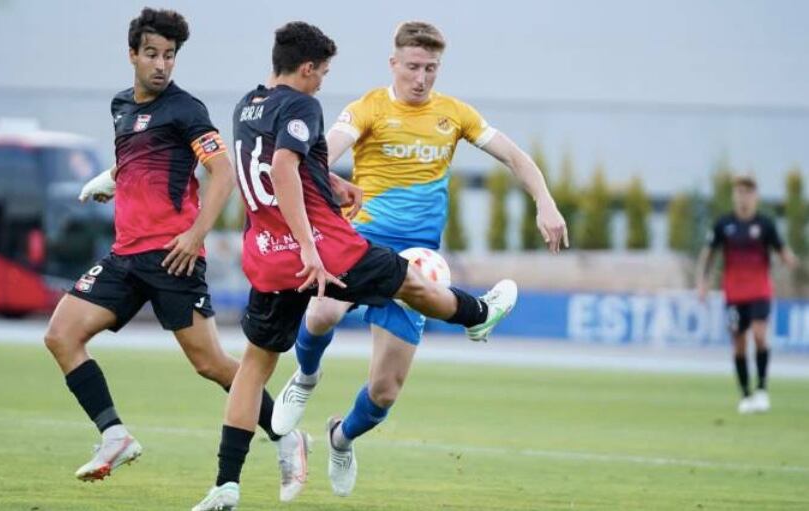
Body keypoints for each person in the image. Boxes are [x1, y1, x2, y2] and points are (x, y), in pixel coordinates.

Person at [191, 21, 519, 511]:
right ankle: (478, 315)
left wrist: (332, 187)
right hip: (325, 247)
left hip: (265, 254)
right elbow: (283, 168)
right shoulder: (302, 104)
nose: (323, 80)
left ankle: (226, 484)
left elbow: (274, 168)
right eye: (322, 71)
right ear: (305, 68)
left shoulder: (246, 105)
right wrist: (308, 243)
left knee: (253, 370)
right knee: (410, 280)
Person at [270, 20, 568, 497]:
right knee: (323, 310)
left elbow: (515, 156)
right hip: (365, 240)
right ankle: (304, 378)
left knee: (385, 391)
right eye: (412, 66)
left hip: (418, 261)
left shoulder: (455, 114)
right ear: (394, 64)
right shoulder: (367, 107)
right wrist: (323, 188)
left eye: (430, 68)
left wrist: (545, 202)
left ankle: (340, 437)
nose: (421, 77)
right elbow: (322, 157)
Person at [44, 8, 309, 500]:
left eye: (169, 56)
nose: (161, 65)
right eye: (152, 54)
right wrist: (111, 180)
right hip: (124, 256)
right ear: (132, 55)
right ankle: (114, 436)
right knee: (61, 335)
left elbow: (223, 173)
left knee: (211, 364)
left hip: (173, 257)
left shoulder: (186, 109)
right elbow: (137, 160)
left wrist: (194, 235)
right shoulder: (121, 105)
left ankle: (287, 433)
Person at [697, 174, 798, 414]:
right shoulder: (724, 224)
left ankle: (762, 390)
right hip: (733, 293)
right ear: (735, 195)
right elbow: (708, 254)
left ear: (756, 197)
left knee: (760, 334)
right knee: (739, 344)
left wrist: (790, 260)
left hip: (760, 290)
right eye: (740, 192)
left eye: (748, 193)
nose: (744, 197)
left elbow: (782, 249)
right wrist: (702, 281)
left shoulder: (765, 224)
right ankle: (745, 394)